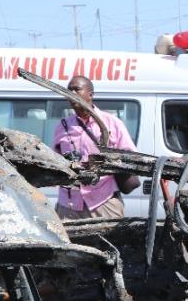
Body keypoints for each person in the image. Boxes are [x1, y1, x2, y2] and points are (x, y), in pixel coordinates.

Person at [53, 75, 138, 219]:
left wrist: (100, 163)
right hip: (68, 204)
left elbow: (131, 157)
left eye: (77, 89)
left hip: (103, 201)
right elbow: (55, 160)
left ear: (90, 94)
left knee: (110, 241)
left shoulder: (112, 123)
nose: (72, 93)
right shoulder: (62, 126)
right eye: (69, 90)